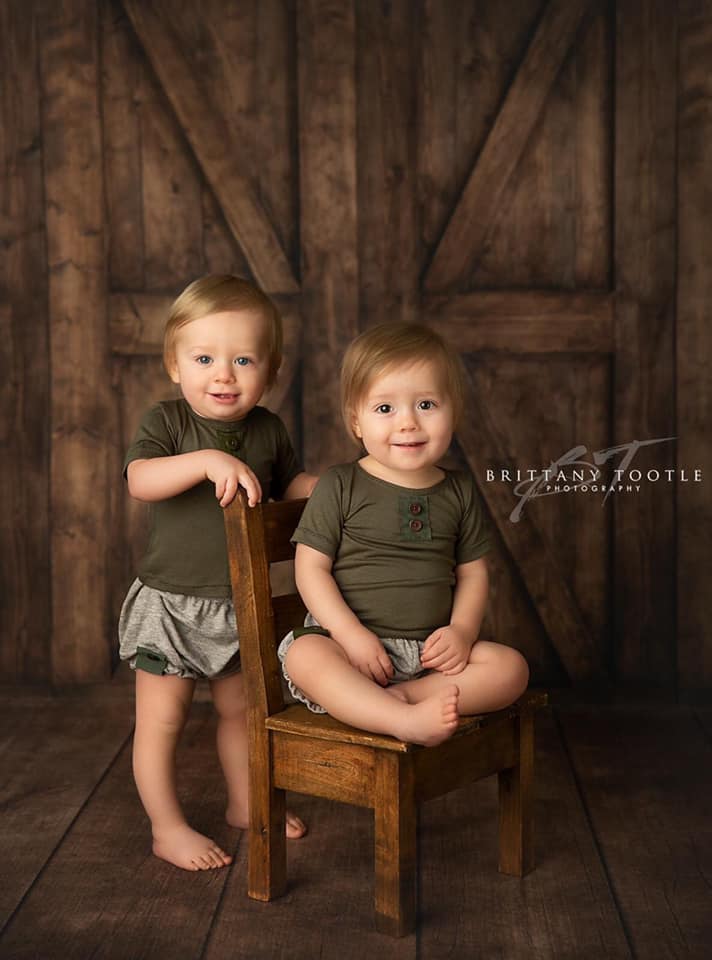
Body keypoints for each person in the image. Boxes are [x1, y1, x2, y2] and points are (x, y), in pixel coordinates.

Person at [119, 275, 317, 871]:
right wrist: (205, 460)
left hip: (241, 603)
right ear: (175, 365)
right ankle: (167, 827)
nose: (223, 374)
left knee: (243, 714)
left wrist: (330, 487)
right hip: (172, 607)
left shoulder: (268, 431)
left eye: (243, 359)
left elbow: (287, 490)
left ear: (271, 369)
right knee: (161, 720)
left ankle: (243, 800)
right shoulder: (170, 423)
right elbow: (139, 480)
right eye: (204, 358)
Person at [279, 323, 529, 747]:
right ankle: (401, 719)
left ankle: (403, 701)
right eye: (385, 409)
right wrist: (350, 634)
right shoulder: (340, 485)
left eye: (427, 404)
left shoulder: (458, 489)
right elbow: (311, 570)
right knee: (306, 656)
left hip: (429, 659)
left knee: (511, 668)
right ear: (356, 420)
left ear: (454, 411)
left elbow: (472, 574)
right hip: (351, 649)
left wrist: (462, 633)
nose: (408, 423)